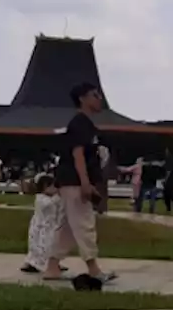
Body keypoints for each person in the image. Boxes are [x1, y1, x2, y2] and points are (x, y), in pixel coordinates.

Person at [46, 82, 115, 285]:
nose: (99, 98)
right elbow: (78, 155)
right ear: (83, 99)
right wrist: (85, 183)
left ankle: (52, 266)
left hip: (72, 181)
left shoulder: (86, 124)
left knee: (67, 228)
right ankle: (93, 269)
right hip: (75, 182)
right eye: (95, 95)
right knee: (85, 224)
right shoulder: (79, 123)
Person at [22, 174, 63, 275]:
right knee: (39, 247)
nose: (55, 189)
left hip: (51, 226)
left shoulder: (52, 198)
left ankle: (53, 263)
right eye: (52, 186)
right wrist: (57, 197)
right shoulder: (40, 198)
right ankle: (34, 263)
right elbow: (48, 205)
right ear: (44, 187)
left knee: (52, 246)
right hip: (41, 228)